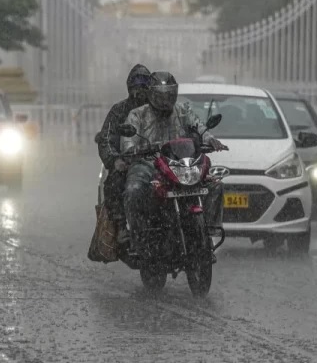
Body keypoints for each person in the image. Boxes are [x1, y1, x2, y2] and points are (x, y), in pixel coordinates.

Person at [120, 71, 227, 256]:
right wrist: (132, 149)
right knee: (133, 189)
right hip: (148, 164)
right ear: (151, 94)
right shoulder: (137, 115)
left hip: (178, 164)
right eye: (161, 95)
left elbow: (199, 126)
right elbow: (127, 142)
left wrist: (210, 139)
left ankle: (208, 229)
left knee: (214, 184)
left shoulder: (183, 110)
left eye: (169, 94)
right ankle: (139, 237)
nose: (165, 99)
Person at [95, 64, 151, 241]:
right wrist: (115, 160)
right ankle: (120, 227)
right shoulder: (119, 110)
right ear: (129, 87)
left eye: (144, 86)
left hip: (160, 162)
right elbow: (106, 138)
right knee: (113, 184)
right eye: (136, 86)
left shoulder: (161, 109)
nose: (140, 91)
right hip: (130, 163)